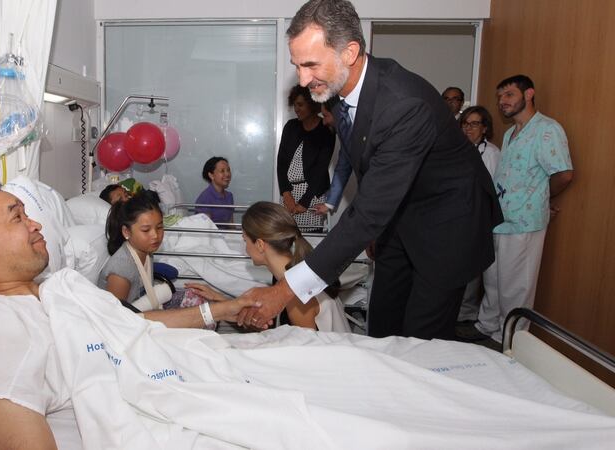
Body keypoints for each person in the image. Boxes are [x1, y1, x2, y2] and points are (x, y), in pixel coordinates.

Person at [238, 0, 502, 341]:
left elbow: (369, 209)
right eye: (297, 66)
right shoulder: (334, 88)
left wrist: (284, 290)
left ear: (349, 52)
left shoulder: (403, 105)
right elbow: (366, 162)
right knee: (383, 322)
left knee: (422, 338)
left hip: (449, 219)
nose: (303, 79)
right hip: (403, 212)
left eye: (310, 65)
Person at [0, 184, 255, 449]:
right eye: (17, 217)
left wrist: (222, 309)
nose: (36, 224)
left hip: (182, 373)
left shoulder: (56, 290)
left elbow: (127, 324)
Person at [471, 75, 573, 343]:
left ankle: (510, 342)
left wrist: (541, 198)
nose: (502, 101)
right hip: (500, 219)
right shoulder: (509, 133)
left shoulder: (547, 130)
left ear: (529, 95)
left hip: (525, 223)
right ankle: (487, 328)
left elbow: (563, 174)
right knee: (493, 282)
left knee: (516, 288)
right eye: (500, 97)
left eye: (509, 95)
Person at [188, 201, 350, 332]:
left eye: (245, 241)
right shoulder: (291, 277)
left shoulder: (296, 295)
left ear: (259, 245)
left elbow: (306, 357)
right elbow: (273, 329)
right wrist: (221, 301)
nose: (245, 249)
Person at [98, 189, 249, 323]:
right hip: (127, 322)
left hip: (141, 307)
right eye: (146, 230)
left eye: (159, 227)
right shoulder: (121, 270)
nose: (155, 236)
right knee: (205, 316)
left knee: (200, 299)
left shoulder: (145, 252)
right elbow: (115, 321)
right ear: (126, 232)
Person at [456, 105, 502, 325]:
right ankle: (458, 312)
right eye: (465, 123)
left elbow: (493, 190)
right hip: (458, 217)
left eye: (474, 124)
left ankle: (467, 315)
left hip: (478, 220)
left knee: (474, 270)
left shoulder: (491, 154)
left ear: (485, 128)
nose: (468, 128)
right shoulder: (457, 149)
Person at [277, 84, 335, 231]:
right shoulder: (290, 127)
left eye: (300, 105)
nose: (296, 109)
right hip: (289, 193)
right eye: (295, 105)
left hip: (313, 194)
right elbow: (281, 163)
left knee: (311, 243)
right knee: (287, 239)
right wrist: (286, 193)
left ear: (312, 104)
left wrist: (305, 201)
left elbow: (321, 168)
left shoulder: (326, 130)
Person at [313, 95, 352, 216]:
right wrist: (328, 204)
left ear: (337, 113)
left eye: (325, 116)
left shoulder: (357, 125)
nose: (323, 122)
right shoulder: (345, 133)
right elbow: (343, 167)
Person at [194, 156, 234, 225]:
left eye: (228, 170)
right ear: (211, 175)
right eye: (222, 171)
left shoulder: (229, 196)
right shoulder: (205, 198)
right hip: (211, 235)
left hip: (227, 234)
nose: (227, 174)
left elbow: (231, 224)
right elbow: (206, 229)